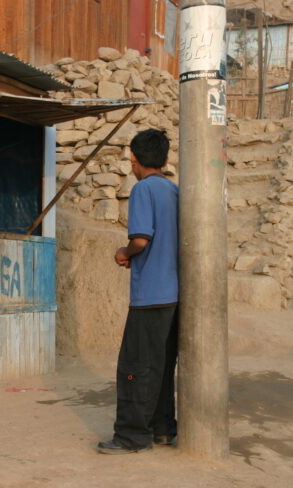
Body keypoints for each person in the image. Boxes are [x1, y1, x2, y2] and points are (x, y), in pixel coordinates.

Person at [97, 129, 179, 455]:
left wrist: (124, 252)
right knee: (161, 367)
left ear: (133, 159)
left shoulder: (143, 189)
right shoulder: (174, 190)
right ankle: (162, 429)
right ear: (165, 159)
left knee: (134, 368)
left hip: (151, 296)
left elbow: (141, 240)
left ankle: (132, 436)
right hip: (174, 296)